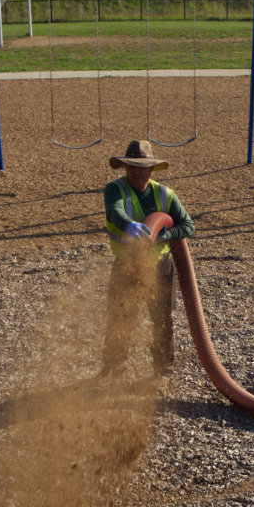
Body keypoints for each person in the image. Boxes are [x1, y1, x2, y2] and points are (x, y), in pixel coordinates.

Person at [102, 140, 195, 378]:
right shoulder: (115, 189)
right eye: (132, 166)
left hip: (161, 266)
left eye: (142, 166)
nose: (136, 171)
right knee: (120, 317)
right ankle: (113, 371)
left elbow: (188, 225)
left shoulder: (164, 194)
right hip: (126, 265)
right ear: (125, 168)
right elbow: (115, 210)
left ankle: (163, 371)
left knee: (162, 318)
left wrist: (167, 234)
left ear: (151, 169)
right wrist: (129, 225)